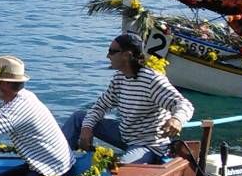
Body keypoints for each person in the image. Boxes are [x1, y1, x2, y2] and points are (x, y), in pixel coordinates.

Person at [63, 33, 194, 165]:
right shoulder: (120, 77)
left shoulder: (152, 80)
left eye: (112, 52)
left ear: (127, 55)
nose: (107, 56)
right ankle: (59, 161)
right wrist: (87, 128)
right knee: (78, 118)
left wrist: (176, 119)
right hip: (124, 134)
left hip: (148, 144)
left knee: (119, 167)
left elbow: (184, 104)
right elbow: (100, 106)